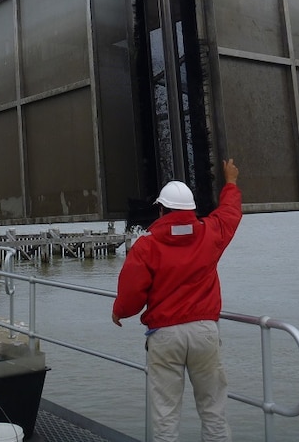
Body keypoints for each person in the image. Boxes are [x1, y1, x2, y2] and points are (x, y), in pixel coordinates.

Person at [112, 159, 241, 442]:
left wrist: (120, 312)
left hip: (165, 336)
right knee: (213, 412)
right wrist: (230, 183)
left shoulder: (147, 244)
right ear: (191, 209)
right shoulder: (210, 233)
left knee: (166, 417)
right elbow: (230, 214)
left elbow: (132, 291)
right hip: (205, 333)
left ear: (161, 209)